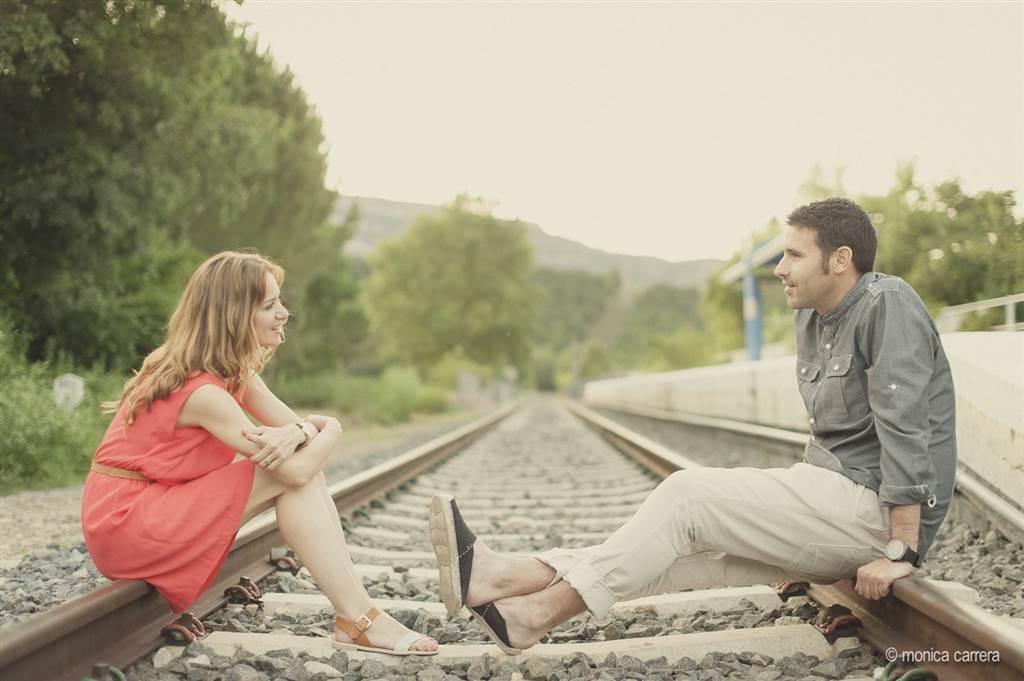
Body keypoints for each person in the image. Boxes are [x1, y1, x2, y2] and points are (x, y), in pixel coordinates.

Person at [429, 197, 957, 655]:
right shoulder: (812, 317)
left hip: (874, 513)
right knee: (672, 547)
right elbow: (831, 435)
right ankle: (507, 580)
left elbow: (905, 428)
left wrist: (899, 550)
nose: (780, 267)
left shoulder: (887, 304)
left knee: (687, 497)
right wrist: (795, 533)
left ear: (840, 260)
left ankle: (530, 610)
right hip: (830, 496)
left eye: (794, 254)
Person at [82, 251, 438, 656]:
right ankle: (359, 618)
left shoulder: (231, 373)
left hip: (142, 510)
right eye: (270, 305)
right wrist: (327, 427)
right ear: (234, 314)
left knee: (295, 475)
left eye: (279, 301)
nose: (284, 313)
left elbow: (301, 437)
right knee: (292, 478)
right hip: (127, 522)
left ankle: (358, 617)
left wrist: (301, 429)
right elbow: (301, 465)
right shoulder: (204, 394)